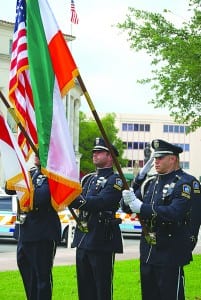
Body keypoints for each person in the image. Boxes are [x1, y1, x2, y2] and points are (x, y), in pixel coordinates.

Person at [122, 139, 201, 300]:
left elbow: (175, 212)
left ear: (172, 159)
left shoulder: (186, 182)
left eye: (160, 158)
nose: (155, 161)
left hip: (171, 251)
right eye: (155, 158)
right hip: (148, 252)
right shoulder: (151, 183)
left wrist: (141, 207)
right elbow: (127, 207)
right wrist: (135, 185)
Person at [69, 137, 123, 300]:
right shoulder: (89, 179)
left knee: (102, 288)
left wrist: (75, 200)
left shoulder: (116, 180)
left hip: (101, 238)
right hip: (83, 238)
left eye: (100, 152)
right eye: (94, 152)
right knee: (84, 288)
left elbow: (102, 202)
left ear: (110, 157)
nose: (95, 154)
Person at [6, 154, 61, 300]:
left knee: (42, 277)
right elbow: (9, 188)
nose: (36, 154)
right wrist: (12, 166)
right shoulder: (29, 173)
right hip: (25, 232)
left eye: (40, 151)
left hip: (43, 232)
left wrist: (22, 188)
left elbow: (41, 197)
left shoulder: (55, 175)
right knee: (27, 273)